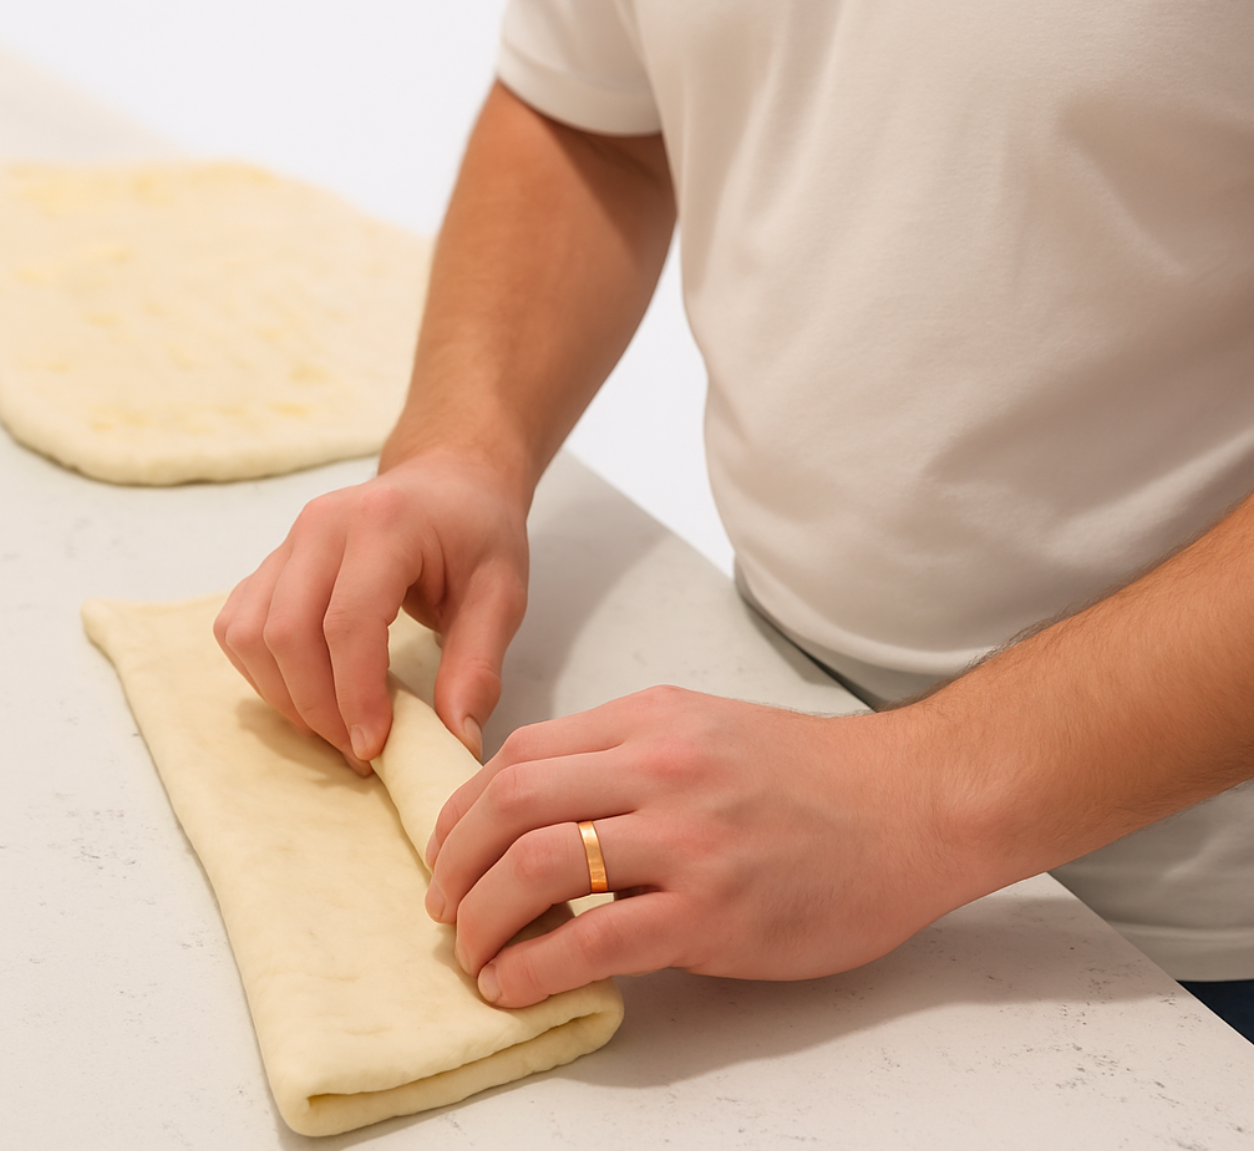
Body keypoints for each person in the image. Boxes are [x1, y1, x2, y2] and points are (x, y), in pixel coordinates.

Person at [214, 2, 1254, 1037]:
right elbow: (593, 120)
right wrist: (466, 442)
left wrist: (912, 797)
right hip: (774, 730)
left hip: (1184, 949)